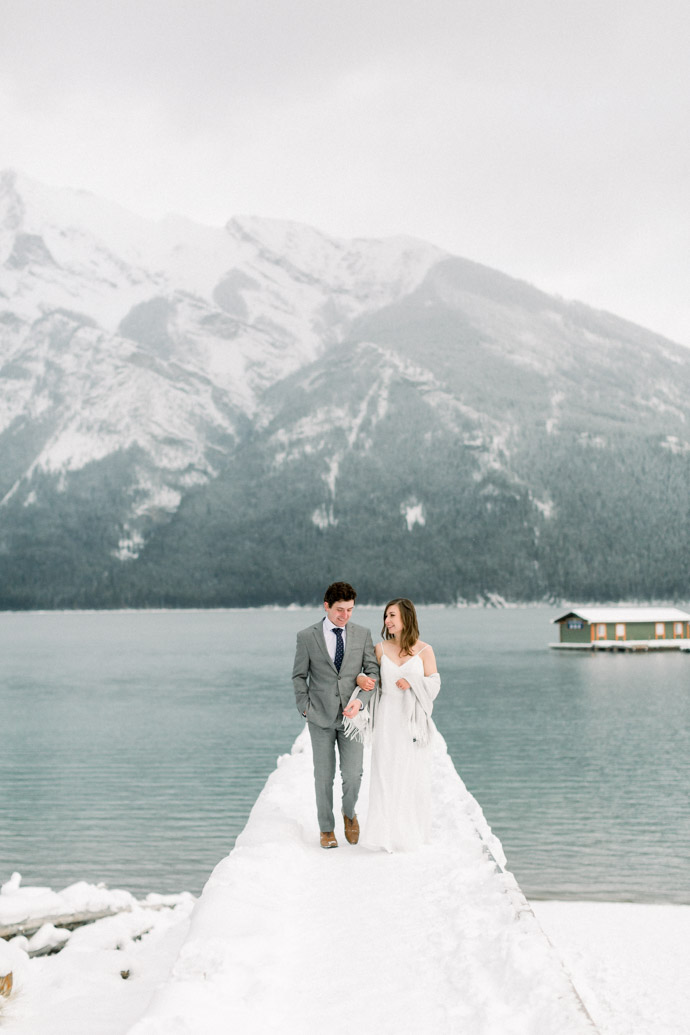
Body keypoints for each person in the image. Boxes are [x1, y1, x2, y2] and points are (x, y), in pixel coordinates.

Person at [292, 581, 379, 849]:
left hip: (352, 718)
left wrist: (361, 702)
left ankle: (349, 814)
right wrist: (305, 707)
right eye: (340, 610)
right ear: (326, 606)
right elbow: (299, 676)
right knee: (323, 775)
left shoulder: (362, 634)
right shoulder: (307, 637)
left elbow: (373, 672)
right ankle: (326, 829)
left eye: (350, 610)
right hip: (319, 717)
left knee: (353, 774)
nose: (345, 616)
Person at [362, 598, 440, 852]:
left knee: (409, 773)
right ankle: (383, 835)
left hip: (411, 721)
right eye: (385, 616)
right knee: (384, 772)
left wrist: (413, 682)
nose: (387, 621)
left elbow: (435, 686)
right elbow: (370, 678)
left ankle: (407, 835)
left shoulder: (425, 650)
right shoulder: (380, 649)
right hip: (386, 716)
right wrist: (362, 680)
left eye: (392, 615)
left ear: (406, 617)